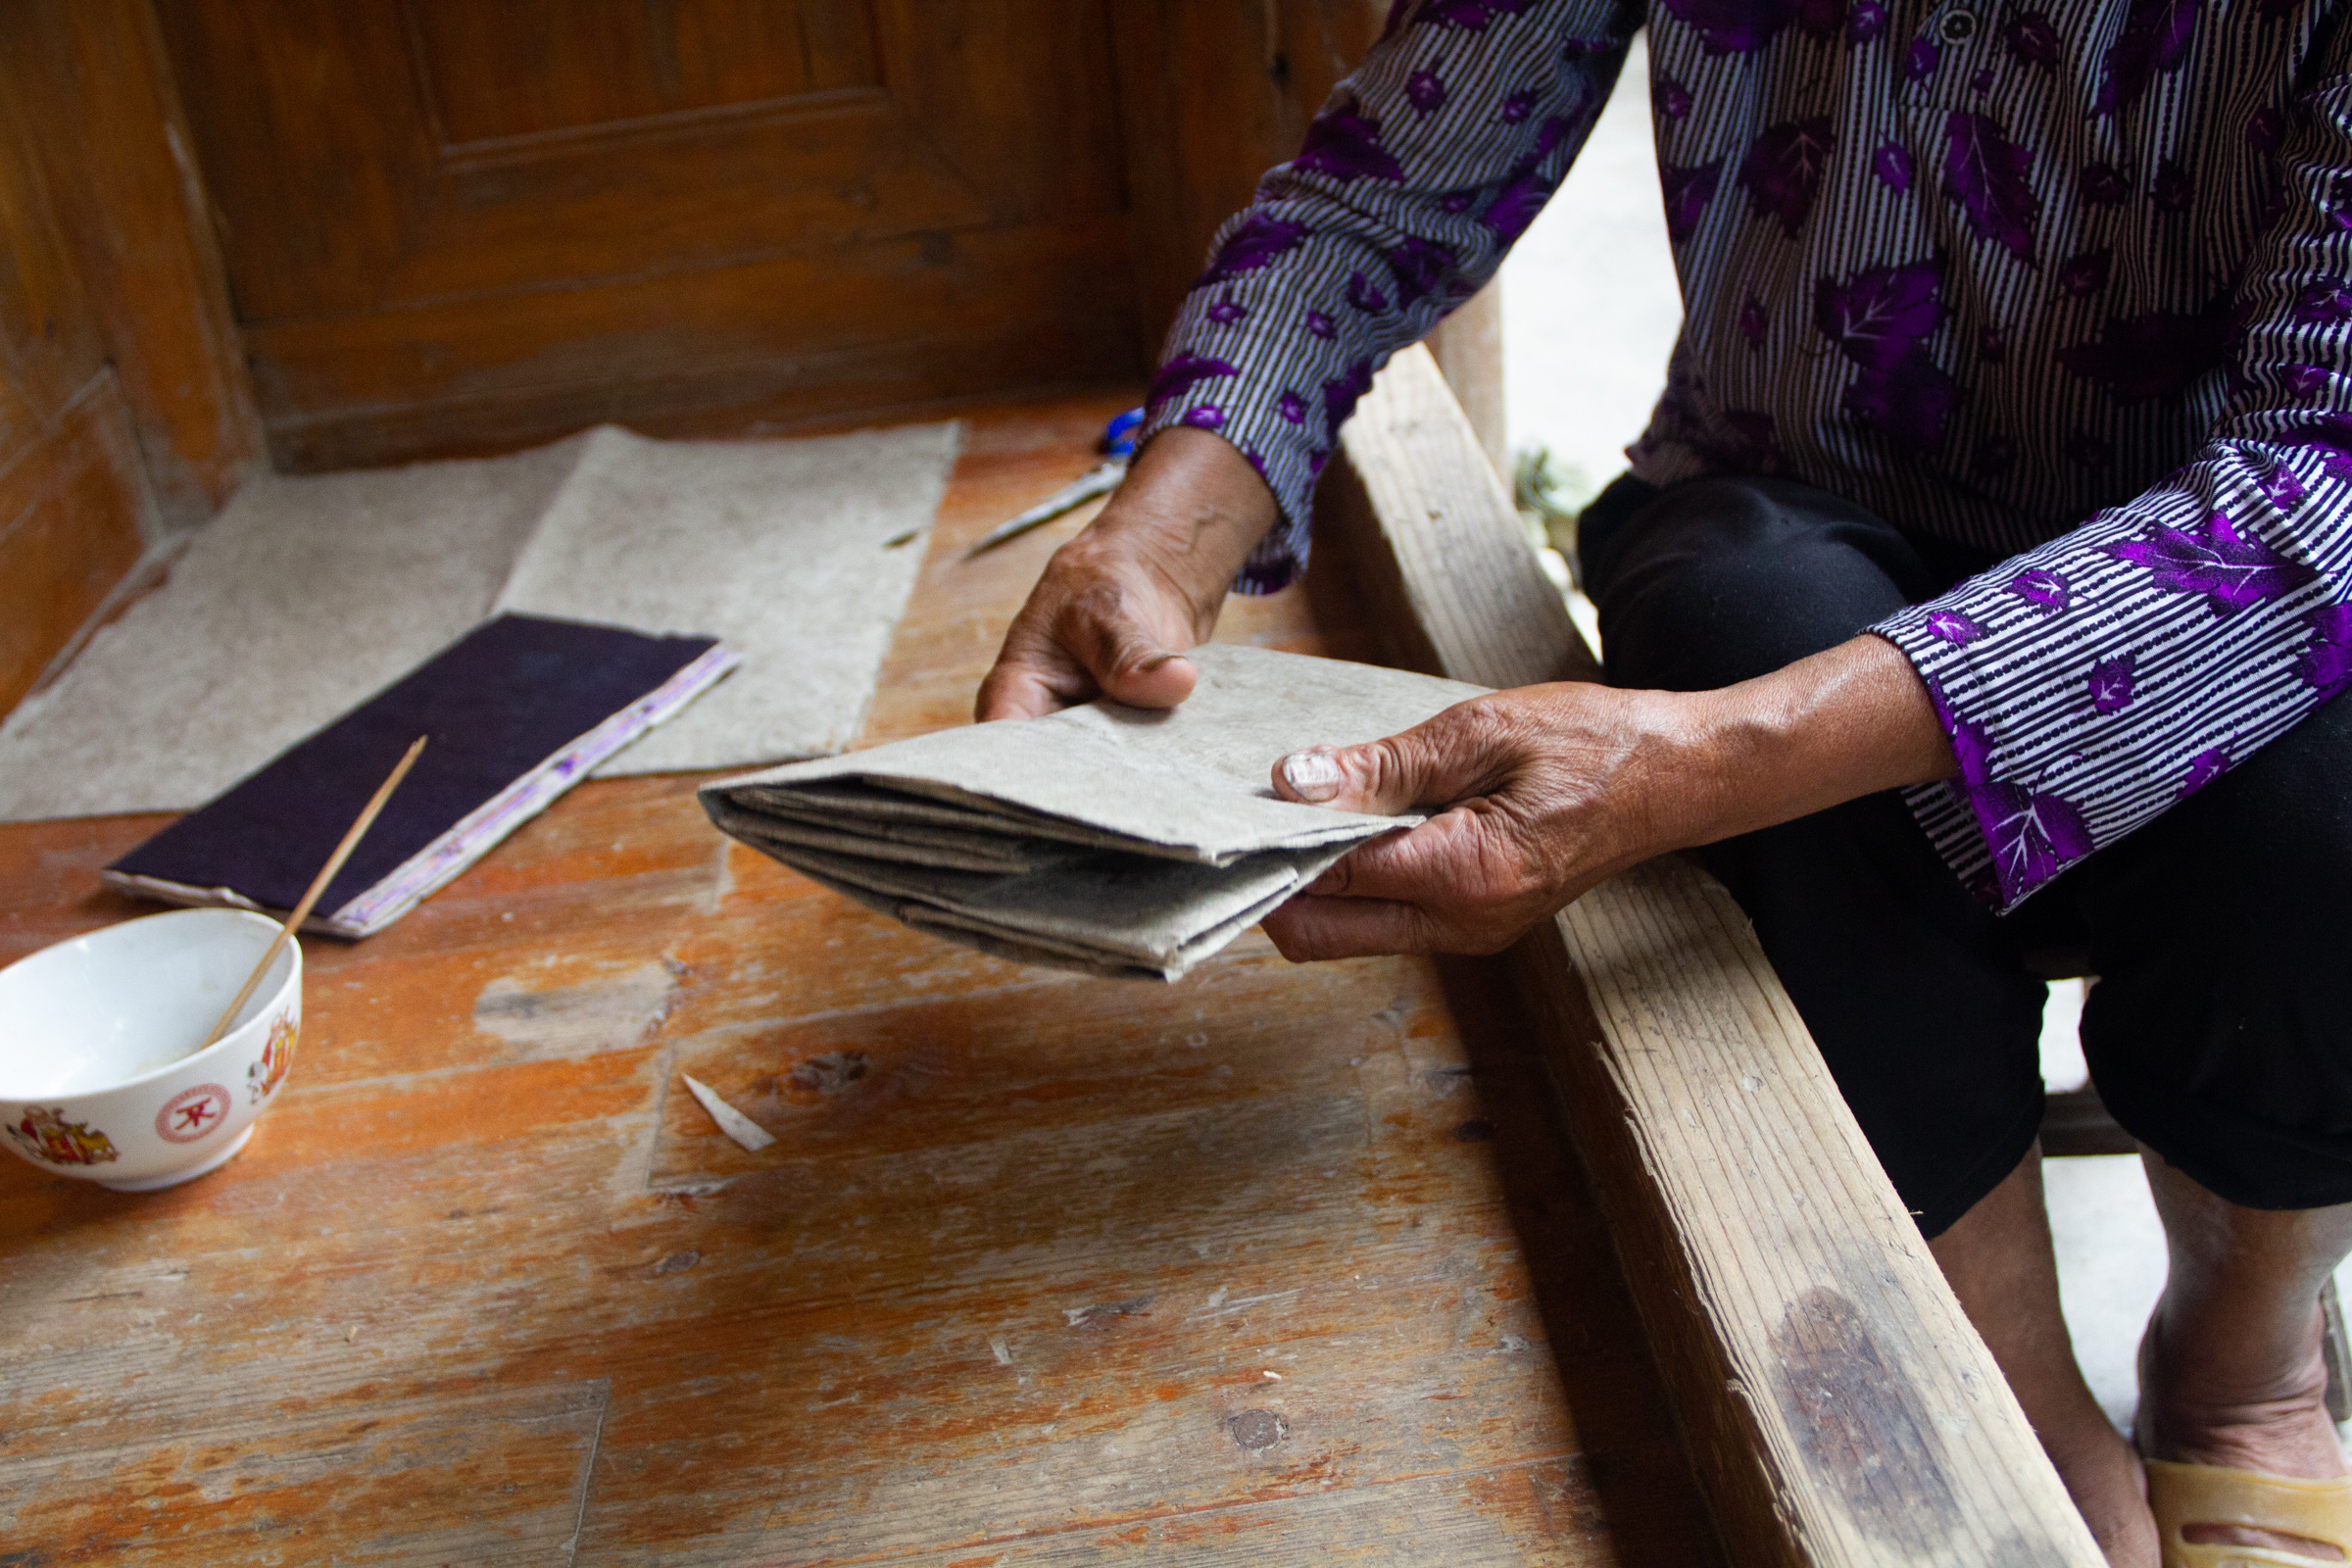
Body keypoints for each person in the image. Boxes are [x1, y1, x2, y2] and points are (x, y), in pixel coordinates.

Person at [979, 1, 2352, 1561]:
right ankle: (2017, 1397)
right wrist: (1161, 531)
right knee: (1739, 627)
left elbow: (2328, 484)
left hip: (2213, 554)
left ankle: (2242, 1373)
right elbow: (1394, 182)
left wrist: (1697, 762)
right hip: (1800, 503)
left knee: (2333, 781)